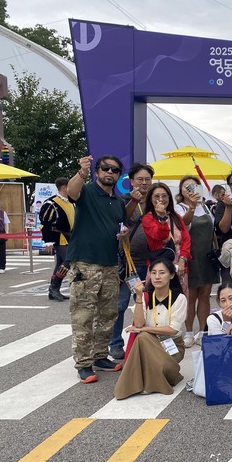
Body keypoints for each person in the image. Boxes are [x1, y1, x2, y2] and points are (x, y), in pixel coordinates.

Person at [66, 154, 128, 383]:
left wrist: (123, 233)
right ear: (97, 171)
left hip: (110, 264)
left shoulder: (118, 202)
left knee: (108, 314)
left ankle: (100, 356)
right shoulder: (87, 191)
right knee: (83, 314)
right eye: (105, 168)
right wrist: (82, 172)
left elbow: (119, 225)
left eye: (115, 170)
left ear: (119, 175)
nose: (110, 172)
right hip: (85, 263)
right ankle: (84, 363)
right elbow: (72, 192)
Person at [114, 259, 188, 399]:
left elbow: (173, 329)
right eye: (153, 273)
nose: (157, 277)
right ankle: (159, 380)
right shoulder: (146, 297)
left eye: (162, 273)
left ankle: (150, 381)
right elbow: (139, 324)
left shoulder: (180, 298)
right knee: (143, 338)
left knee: (143, 336)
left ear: (172, 275)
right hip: (150, 343)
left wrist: (145, 329)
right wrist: (139, 296)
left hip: (173, 345)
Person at [109, 162, 153, 359]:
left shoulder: (155, 200)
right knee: (120, 304)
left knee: (149, 304)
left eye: (147, 179)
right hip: (128, 263)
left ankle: (147, 341)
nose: (144, 183)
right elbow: (120, 219)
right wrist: (134, 201)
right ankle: (115, 343)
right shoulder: (122, 200)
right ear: (131, 181)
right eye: (140, 179)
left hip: (151, 263)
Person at [175, 175, 219, 347]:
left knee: (205, 295)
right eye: (186, 187)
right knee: (190, 296)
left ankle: (202, 331)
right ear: (181, 190)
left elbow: (212, 230)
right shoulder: (178, 208)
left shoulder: (206, 207)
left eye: (194, 186)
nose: (190, 189)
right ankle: (188, 332)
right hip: (189, 256)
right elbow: (182, 225)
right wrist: (191, 208)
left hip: (207, 256)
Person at [141, 183, 192, 295]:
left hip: (178, 265)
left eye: (164, 196)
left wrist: (183, 259)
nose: (161, 199)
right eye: (156, 196)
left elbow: (186, 239)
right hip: (159, 265)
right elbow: (160, 235)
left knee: (180, 299)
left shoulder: (175, 216)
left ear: (169, 198)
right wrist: (162, 219)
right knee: (158, 300)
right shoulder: (148, 218)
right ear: (150, 199)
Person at [40, 178, 75, 301]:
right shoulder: (51, 203)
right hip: (58, 237)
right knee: (69, 260)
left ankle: (54, 290)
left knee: (60, 263)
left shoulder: (71, 202)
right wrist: (48, 242)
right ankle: (54, 287)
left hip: (69, 236)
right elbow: (45, 223)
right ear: (64, 187)